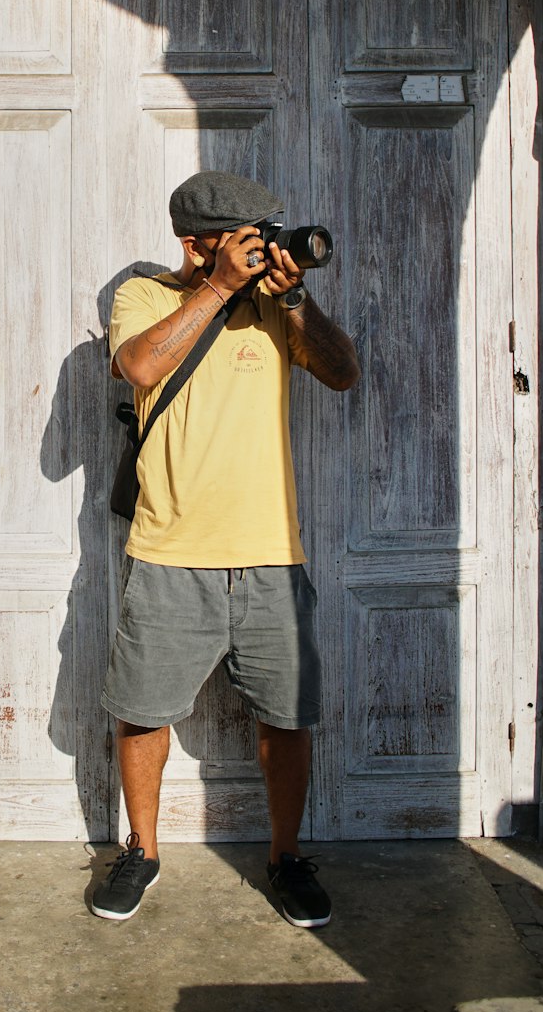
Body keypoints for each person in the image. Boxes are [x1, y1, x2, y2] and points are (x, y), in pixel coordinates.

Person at [92, 171, 360, 927]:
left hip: (272, 553)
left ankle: (286, 856)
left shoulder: (278, 310)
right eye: (244, 236)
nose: (260, 248)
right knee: (143, 712)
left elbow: (343, 375)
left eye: (265, 233)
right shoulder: (144, 296)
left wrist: (297, 299)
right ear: (196, 243)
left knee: (287, 716)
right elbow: (140, 366)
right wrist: (214, 289)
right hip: (171, 551)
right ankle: (141, 852)